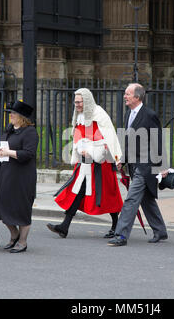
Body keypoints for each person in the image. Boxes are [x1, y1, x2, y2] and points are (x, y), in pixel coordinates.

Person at [48, 88, 123, 239]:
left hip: (101, 164)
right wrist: (79, 148)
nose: (77, 105)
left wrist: (93, 151)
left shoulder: (99, 114)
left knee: (107, 195)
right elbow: (77, 135)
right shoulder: (79, 115)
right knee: (77, 192)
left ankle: (117, 225)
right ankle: (64, 226)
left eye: (79, 102)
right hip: (84, 162)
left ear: (87, 101)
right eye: (75, 102)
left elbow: (106, 139)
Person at [108, 83, 169, 247]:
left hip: (146, 165)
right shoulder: (129, 113)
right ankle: (160, 231)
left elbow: (158, 139)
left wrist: (162, 166)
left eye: (128, 94)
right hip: (134, 165)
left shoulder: (149, 115)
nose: (125, 96)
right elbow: (130, 141)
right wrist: (123, 159)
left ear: (137, 97)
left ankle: (121, 235)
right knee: (146, 200)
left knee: (131, 200)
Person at [0, 101, 39, 253]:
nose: (10, 116)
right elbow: (4, 146)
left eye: (13, 113)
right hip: (6, 172)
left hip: (22, 176)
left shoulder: (30, 132)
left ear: (22, 117)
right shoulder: (10, 130)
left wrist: (8, 153)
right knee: (2, 205)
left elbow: (29, 154)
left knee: (21, 207)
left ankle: (22, 241)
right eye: (10, 113)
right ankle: (14, 234)